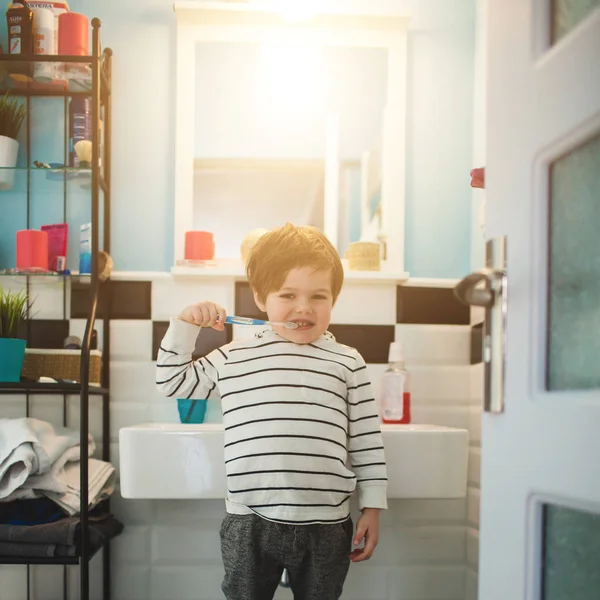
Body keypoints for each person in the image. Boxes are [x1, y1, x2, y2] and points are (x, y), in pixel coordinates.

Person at [156, 223, 388, 600]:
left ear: (334, 299)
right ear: (261, 297)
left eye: (319, 296)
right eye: (288, 294)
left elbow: (366, 439)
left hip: (328, 524)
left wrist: (373, 507)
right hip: (249, 521)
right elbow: (173, 382)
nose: (303, 307)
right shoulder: (235, 355)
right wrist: (185, 325)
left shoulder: (348, 362)